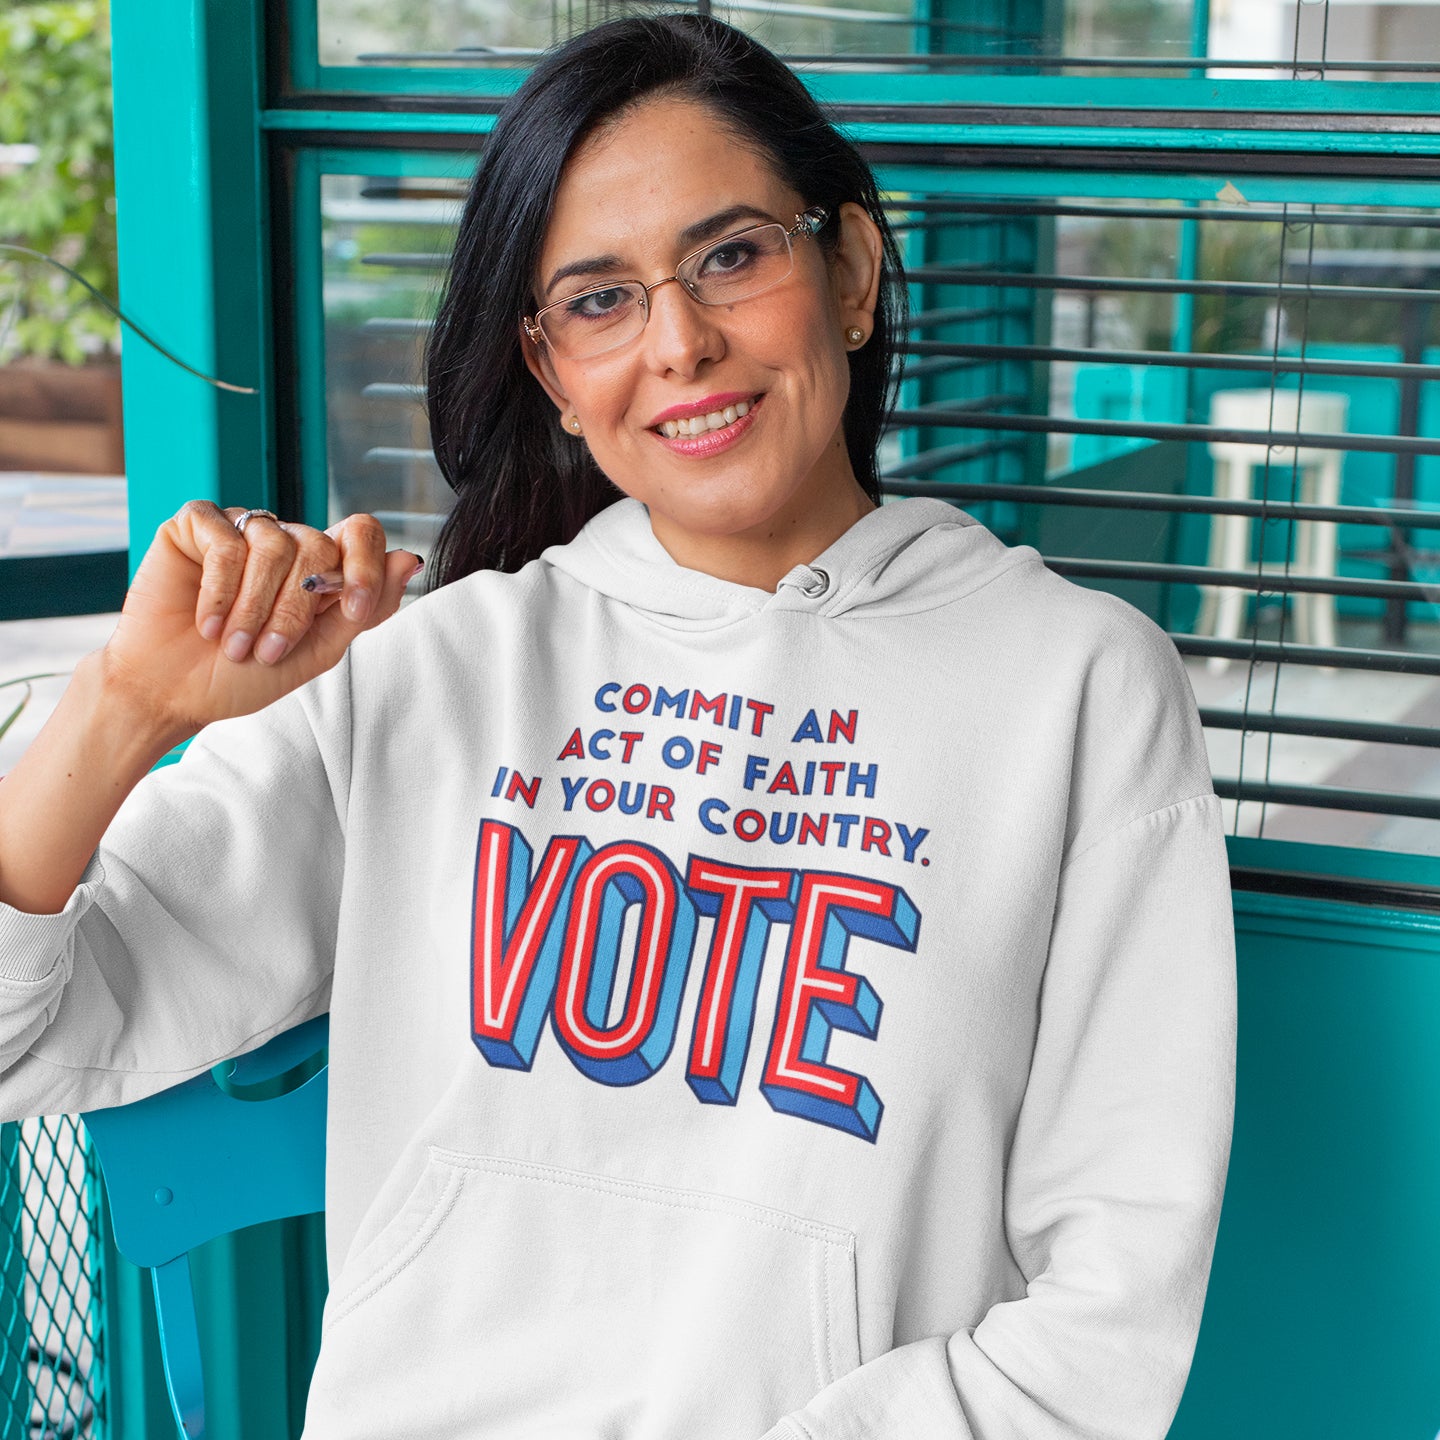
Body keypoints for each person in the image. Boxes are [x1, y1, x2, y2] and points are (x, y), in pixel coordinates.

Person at [0, 13, 1236, 1439]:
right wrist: (124, 706)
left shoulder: (1077, 690)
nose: (682, 344)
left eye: (731, 257)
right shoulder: (435, 670)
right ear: (550, 373)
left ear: (849, 273)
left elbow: (1108, 1316)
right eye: (599, 302)